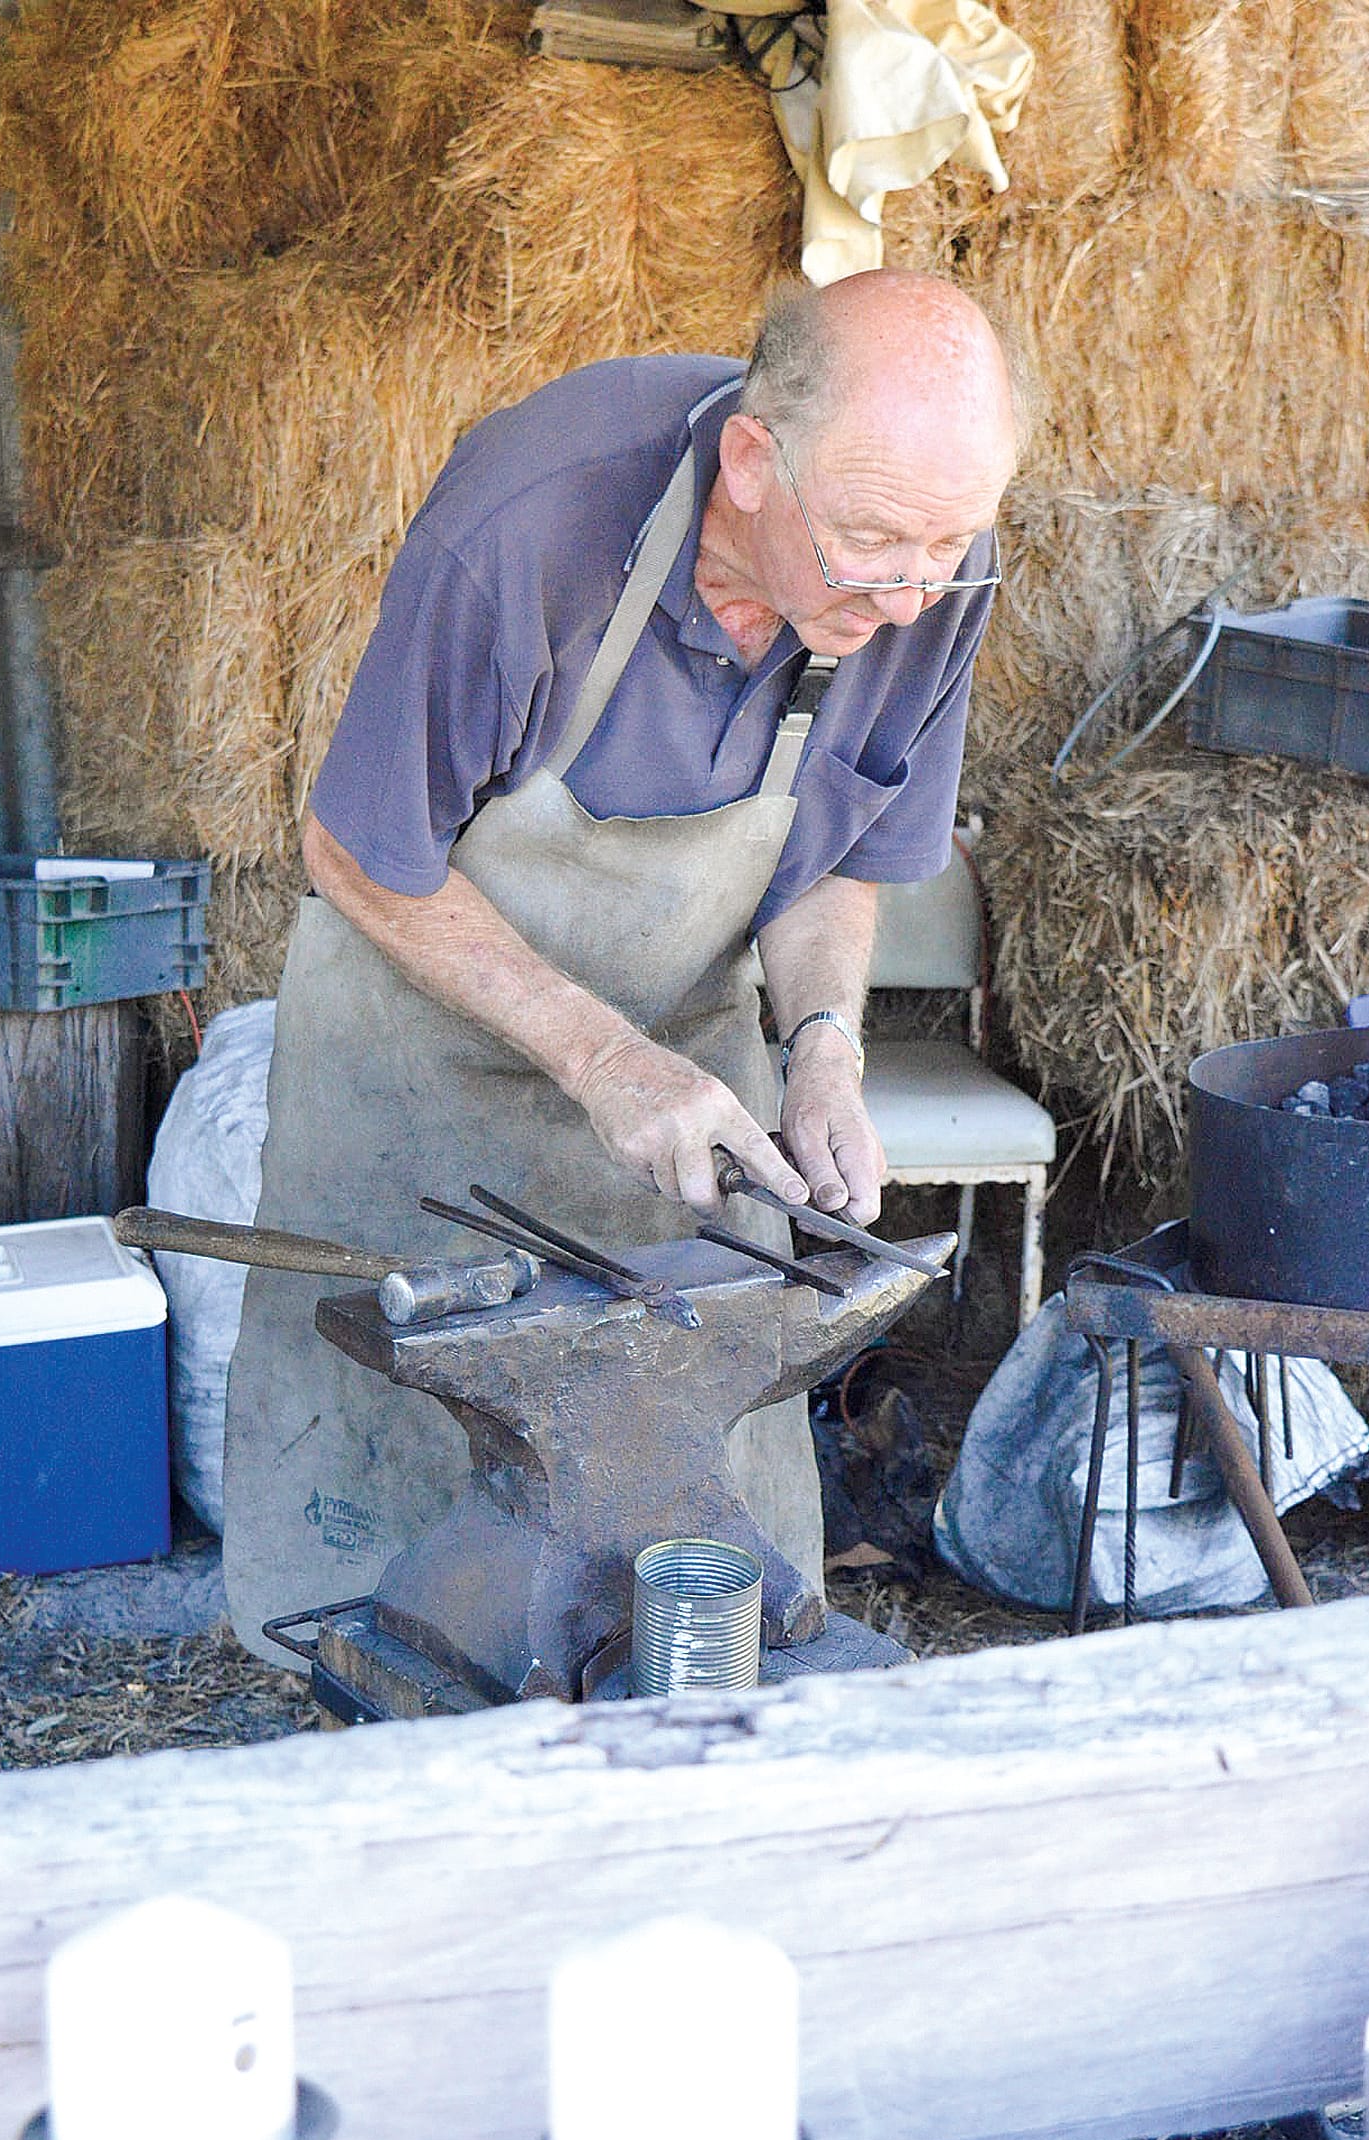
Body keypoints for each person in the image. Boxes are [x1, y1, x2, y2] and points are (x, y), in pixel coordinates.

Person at [223, 270, 1019, 1669]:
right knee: (417, 1617)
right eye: (873, 545)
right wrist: (601, 1059)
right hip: (421, 1070)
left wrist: (826, 1038)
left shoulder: (917, 579)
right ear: (754, 464)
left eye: (948, 545)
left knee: (696, 1617)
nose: (908, 596)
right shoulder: (537, 526)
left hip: (683, 1106)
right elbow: (358, 852)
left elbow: (838, 850)